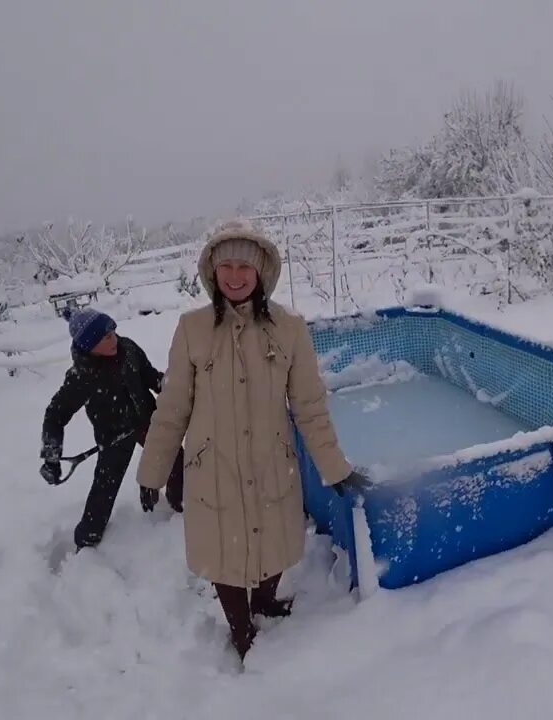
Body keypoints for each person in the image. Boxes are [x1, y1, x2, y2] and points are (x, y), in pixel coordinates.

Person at [136, 219, 371, 662]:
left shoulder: (289, 329)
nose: (236, 275)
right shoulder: (192, 329)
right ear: (212, 272)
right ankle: (240, 628)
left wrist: (334, 468)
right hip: (214, 466)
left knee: (274, 541)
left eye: (245, 265)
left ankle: (264, 601)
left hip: (271, 462)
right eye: (225, 265)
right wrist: (153, 470)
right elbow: (171, 409)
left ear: (262, 270)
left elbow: (309, 406)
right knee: (223, 551)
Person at [40, 308, 185, 550]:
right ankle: (87, 538)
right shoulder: (81, 376)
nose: (114, 339)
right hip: (114, 436)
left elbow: (149, 376)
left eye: (114, 332)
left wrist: (171, 387)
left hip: (147, 420)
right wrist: (51, 457)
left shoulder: (127, 349)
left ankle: (179, 506)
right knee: (105, 488)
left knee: (176, 461)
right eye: (105, 337)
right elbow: (55, 415)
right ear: (89, 345)